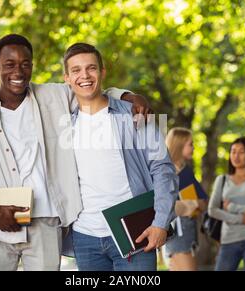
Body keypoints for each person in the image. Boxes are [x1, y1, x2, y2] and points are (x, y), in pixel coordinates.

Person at [0, 34, 151, 270]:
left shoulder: (53, 96)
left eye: (25, 64)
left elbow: (91, 90)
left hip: (45, 222)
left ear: (32, 66)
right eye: (9, 65)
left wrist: (128, 96)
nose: (18, 72)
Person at [63, 43, 178, 271]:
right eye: (76, 70)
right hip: (85, 237)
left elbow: (163, 170)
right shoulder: (64, 123)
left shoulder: (134, 114)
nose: (84, 75)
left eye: (91, 68)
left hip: (134, 233)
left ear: (102, 72)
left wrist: (161, 223)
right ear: (66, 78)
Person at [208, 137, 245, 271]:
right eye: (233, 152)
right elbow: (212, 210)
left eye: (241, 152)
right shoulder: (222, 180)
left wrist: (232, 207)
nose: (236, 156)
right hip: (228, 240)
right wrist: (240, 218)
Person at [164, 127, 208, 271]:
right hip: (177, 237)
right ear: (179, 144)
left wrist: (193, 205)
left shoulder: (186, 171)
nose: (194, 147)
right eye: (190, 144)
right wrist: (193, 205)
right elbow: (164, 206)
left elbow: (203, 202)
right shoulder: (166, 172)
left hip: (189, 234)